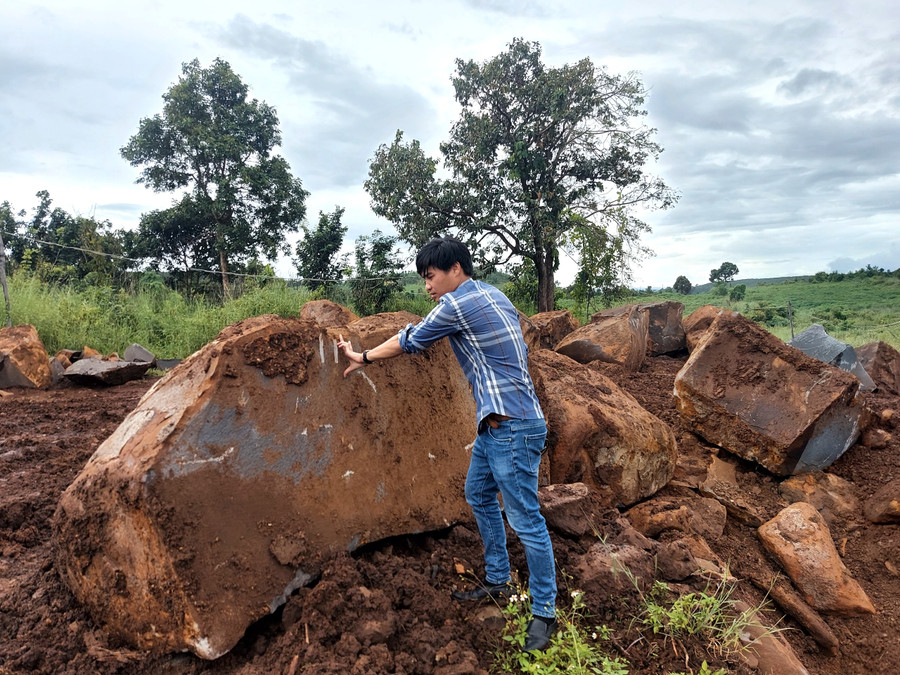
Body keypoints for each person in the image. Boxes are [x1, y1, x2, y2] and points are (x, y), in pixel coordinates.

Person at [337, 236, 557, 652]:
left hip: (512, 428)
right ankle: (497, 579)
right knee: (477, 493)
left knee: (527, 520)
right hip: (500, 426)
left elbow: (411, 340)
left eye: (431, 275)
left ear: (456, 268)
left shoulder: (456, 305)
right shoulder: (495, 296)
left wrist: (362, 357)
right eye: (423, 278)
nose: (427, 286)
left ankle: (544, 613)